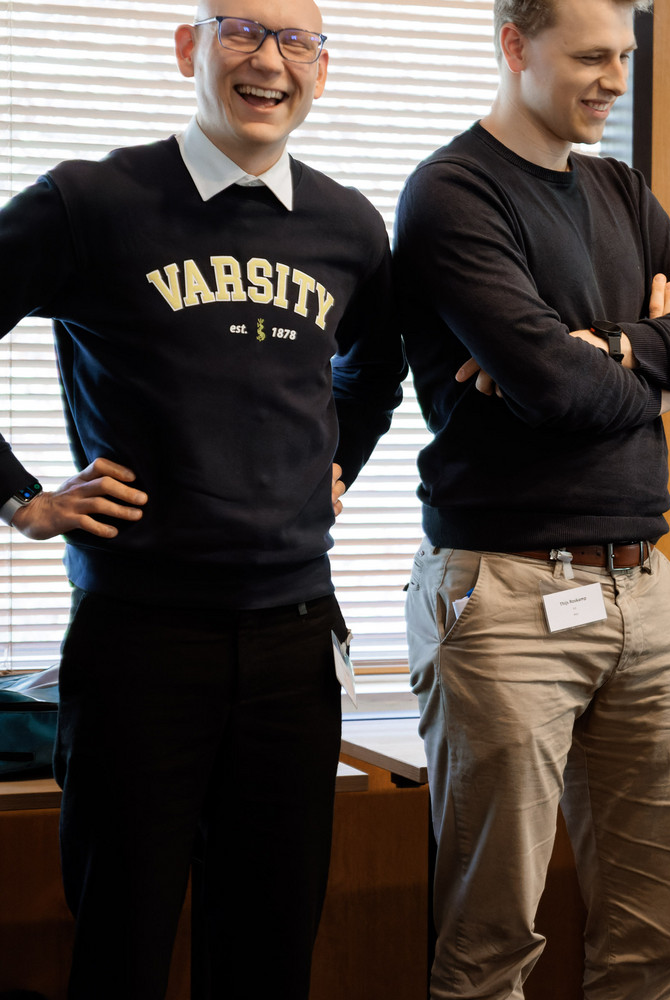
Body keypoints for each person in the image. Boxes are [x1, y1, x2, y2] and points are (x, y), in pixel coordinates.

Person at [0, 0, 404, 996]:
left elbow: (375, 371)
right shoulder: (90, 201)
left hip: (295, 643)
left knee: (269, 954)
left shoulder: (349, 226)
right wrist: (22, 500)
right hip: (142, 641)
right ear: (190, 47)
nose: (271, 60)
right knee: (122, 947)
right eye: (243, 31)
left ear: (322, 69)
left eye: (297, 40)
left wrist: (339, 461)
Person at [392, 0, 670, 995]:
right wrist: (652, 373)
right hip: (505, 596)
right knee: (489, 948)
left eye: (625, 55)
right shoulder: (452, 193)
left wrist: (619, 344)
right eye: (592, 56)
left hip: (646, 591)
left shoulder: (617, 187)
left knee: (654, 945)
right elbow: (557, 389)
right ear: (514, 45)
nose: (616, 80)